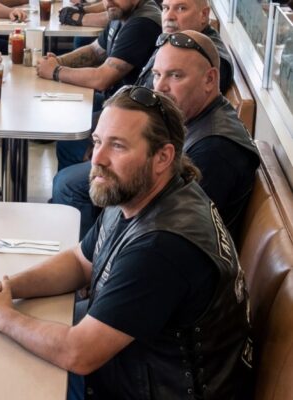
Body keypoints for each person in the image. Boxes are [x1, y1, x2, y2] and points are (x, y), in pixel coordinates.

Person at [0, 86, 253, 400]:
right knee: (21, 366)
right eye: (97, 141)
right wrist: (11, 288)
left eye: (117, 146)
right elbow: (80, 261)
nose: (97, 159)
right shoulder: (138, 193)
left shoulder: (164, 246)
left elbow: (78, 353)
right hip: (143, 385)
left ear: (162, 157)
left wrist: (4, 316)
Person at [53, 31, 258, 238]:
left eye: (175, 75)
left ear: (209, 79)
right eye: (157, 74)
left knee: (68, 184)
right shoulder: (197, 115)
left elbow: (175, 225)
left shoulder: (215, 149)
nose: (159, 87)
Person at [37, 0, 161, 170]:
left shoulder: (142, 23)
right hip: (117, 99)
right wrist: (58, 61)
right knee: (72, 104)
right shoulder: (120, 12)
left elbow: (102, 79)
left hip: (134, 111)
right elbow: (95, 50)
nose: (108, 2)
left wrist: (56, 71)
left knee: (69, 143)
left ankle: (76, 191)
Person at [136, 0, 232, 93]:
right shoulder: (175, 38)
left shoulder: (206, 59)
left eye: (181, 8)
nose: (169, 16)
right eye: (165, 8)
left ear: (204, 15)